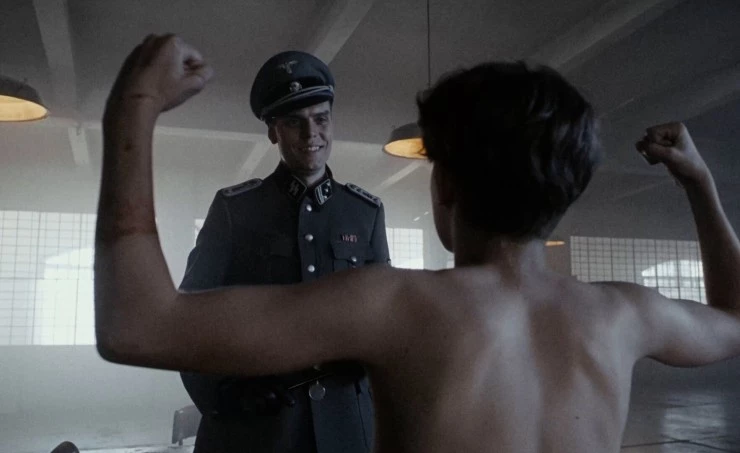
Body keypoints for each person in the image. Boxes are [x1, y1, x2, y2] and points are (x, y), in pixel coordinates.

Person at [95, 35, 740, 453]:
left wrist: (134, 105)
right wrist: (700, 182)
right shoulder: (623, 314)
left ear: (446, 186)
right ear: (565, 191)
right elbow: (736, 318)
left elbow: (137, 326)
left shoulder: (396, 306)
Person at [178, 47, 389, 452]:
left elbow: (386, 317)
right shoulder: (235, 210)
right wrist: (223, 390)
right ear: (273, 131)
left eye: (321, 119)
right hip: (257, 430)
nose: (311, 134)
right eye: (295, 122)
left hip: (347, 426)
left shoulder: (365, 213)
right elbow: (188, 316)